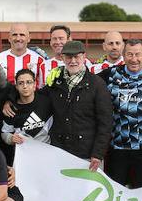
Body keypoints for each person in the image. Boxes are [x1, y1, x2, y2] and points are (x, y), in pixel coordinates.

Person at [101, 39, 142, 188]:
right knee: (115, 194)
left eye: (138, 54)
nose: (134, 59)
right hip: (118, 148)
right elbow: (88, 80)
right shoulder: (111, 74)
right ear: (123, 56)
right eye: (129, 54)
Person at [46, 40, 113, 173]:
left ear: (84, 57)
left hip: (88, 156)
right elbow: (34, 100)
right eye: (69, 57)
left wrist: (98, 154)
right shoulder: (55, 82)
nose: (73, 61)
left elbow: (106, 122)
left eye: (76, 56)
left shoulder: (97, 84)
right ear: (63, 58)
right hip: (60, 152)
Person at [2, 68, 54, 147]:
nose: (25, 86)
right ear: (16, 86)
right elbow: (4, 132)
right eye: (21, 83)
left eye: (29, 82)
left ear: (35, 84)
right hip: (23, 154)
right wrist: (11, 138)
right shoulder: (11, 109)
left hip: (46, 151)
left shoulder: (46, 101)